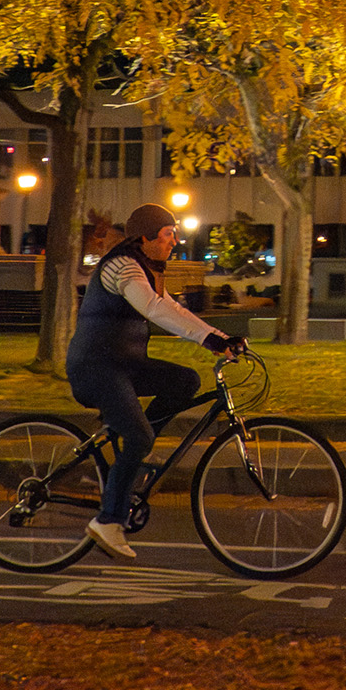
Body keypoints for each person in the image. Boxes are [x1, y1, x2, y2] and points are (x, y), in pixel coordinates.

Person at [67, 203, 244, 560]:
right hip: (96, 368)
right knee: (139, 436)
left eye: (175, 234)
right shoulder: (123, 267)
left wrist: (220, 337)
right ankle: (109, 520)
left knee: (184, 381)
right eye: (168, 234)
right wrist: (208, 340)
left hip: (126, 365)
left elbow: (173, 308)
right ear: (145, 237)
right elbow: (154, 308)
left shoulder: (146, 267)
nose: (175, 241)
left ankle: (130, 452)